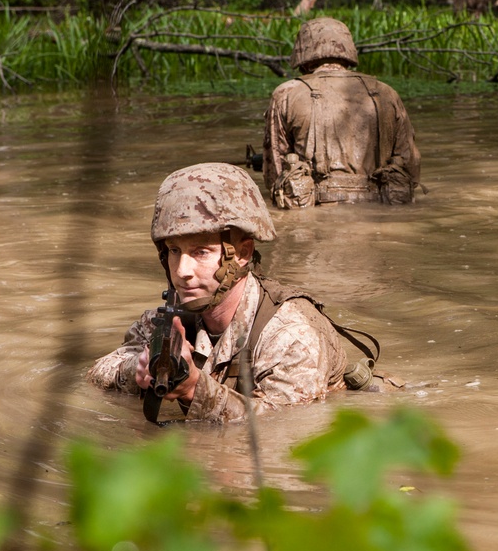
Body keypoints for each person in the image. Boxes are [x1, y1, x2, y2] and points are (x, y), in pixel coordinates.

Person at [87, 162, 350, 423]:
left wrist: (193, 389)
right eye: (174, 250)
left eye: (200, 252)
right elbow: (97, 374)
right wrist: (138, 370)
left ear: (242, 254)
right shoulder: (173, 319)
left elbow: (281, 428)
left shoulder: (291, 335)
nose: (182, 270)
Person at [262, 17, 421, 208]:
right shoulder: (387, 93)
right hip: (381, 210)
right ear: (348, 53)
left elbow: (274, 174)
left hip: (315, 216)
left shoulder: (286, 94)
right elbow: (411, 167)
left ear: (302, 58)